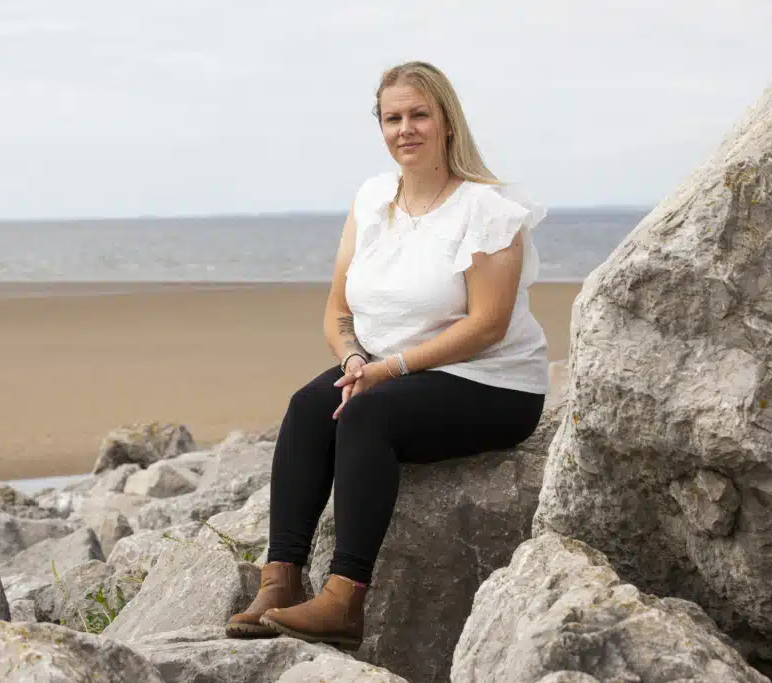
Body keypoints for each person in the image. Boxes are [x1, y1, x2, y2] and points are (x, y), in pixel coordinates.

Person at [224, 61, 549, 649]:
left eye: (419, 115)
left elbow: (488, 326)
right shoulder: (373, 199)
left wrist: (388, 370)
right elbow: (337, 308)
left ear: (447, 122)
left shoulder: (489, 209)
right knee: (309, 405)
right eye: (392, 118)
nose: (406, 129)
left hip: (492, 383)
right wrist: (353, 360)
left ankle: (344, 600)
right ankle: (281, 581)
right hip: (385, 370)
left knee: (368, 413)